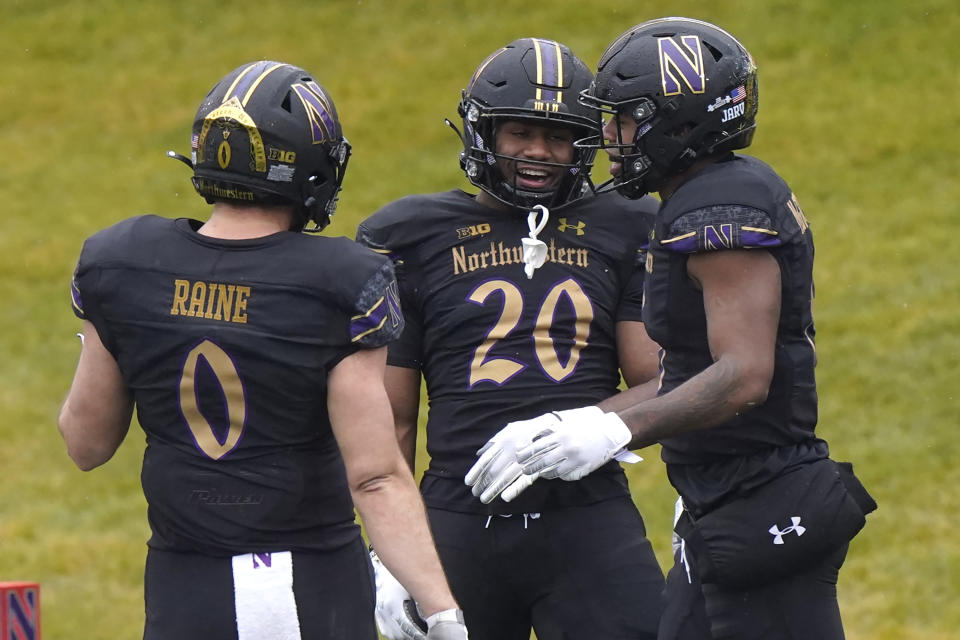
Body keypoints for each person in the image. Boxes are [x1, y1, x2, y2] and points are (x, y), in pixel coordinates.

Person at [467, 18, 878, 640]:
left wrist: (611, 427)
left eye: (625, 119)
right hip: (726, 501)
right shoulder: (706, 194)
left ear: (680, 124)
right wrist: (571, 424)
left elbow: (744, 376)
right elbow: (694, 369)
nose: (609, 137)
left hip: (761, 501)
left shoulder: (719, 208)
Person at [58, 60, 468, 640]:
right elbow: (375, 476)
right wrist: (441, 609)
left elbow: (86, 444)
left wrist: (122, 334)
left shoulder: (120, 263)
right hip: (306, 582)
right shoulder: (340, 280)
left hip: (181, 584)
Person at [356, 39, 665, 640]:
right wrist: (391, 554)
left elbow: (655, 380)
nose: (539, 152)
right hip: (458, 511)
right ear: (484, 132)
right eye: (520, 131)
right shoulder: (409, 235)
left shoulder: (627, 226)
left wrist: (594, 429)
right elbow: (390, 418)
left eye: (560, 137)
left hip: (588, 511)